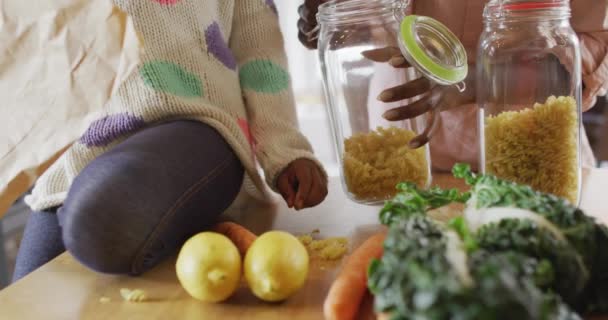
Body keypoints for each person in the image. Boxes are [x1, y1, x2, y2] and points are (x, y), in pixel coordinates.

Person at [12, 0, 328, 281]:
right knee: (23, 300)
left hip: (199, 130)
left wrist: (284, 148)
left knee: (101, 222)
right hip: (78, 151)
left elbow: (257, 42)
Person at [298, 0, 607, 170]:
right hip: (400, 148)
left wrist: (481, 82)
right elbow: (370, 17)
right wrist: (330, 19)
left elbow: (588, 54)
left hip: (528, 149)